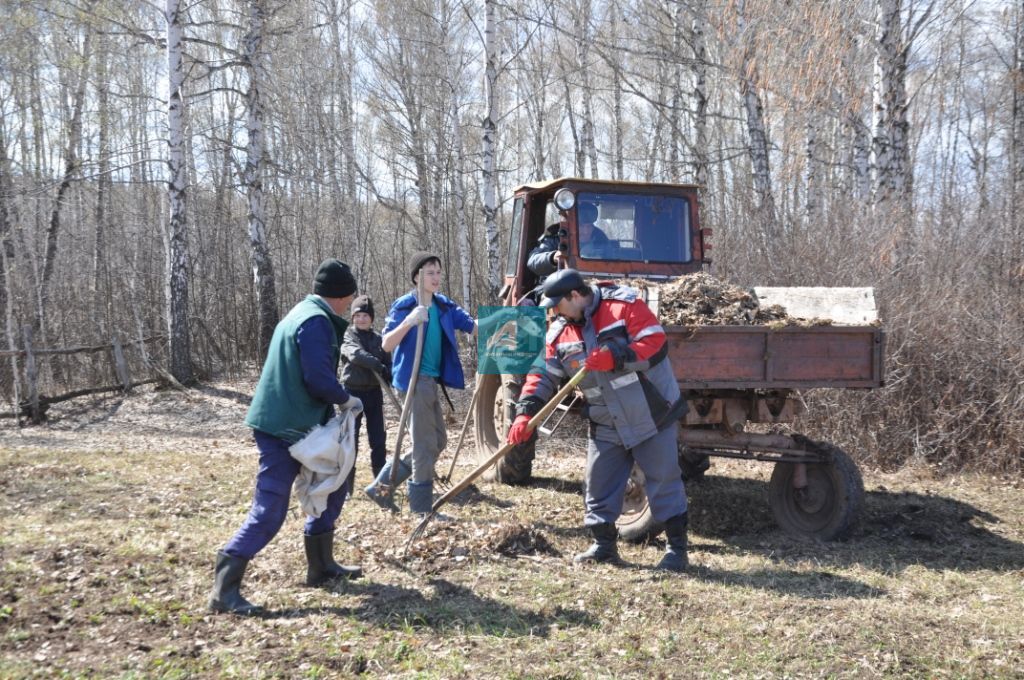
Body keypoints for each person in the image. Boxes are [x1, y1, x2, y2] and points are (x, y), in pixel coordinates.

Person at [506, 268, 690, 571]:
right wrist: (525, 412)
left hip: (651, 413)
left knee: (664, 480)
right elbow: (542, 375)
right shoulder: (559, 332)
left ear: (575, 295)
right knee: (599, 484)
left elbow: (655, 344)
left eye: (556, 305)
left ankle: (677, 551)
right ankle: (604, 547)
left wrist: (616, 356)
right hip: (606, 421)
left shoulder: (624, 306)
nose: (553, 312)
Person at [209, 259, 365, 616]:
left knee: (333, 484)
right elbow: (318, 378)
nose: (350, 302)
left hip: (299, 423)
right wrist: (346, 399)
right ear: (342, 295)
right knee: (270, 510)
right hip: (283, 428)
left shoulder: (304, 312)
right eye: (350, 296)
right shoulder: (315, 322)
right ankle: (225, 587)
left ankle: (321, 566)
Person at [364, 252, 476, 518]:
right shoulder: (405, 305)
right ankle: (421, 508)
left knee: (436, 441)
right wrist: (410, 321)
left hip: (430, 382)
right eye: (430, 273)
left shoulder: (444, 306)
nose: (436, 278)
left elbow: (475, 327)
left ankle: (382, 485)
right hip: (413, 382)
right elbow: (387, 344)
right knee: (425, 445)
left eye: (438, 272)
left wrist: (514, 316)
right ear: (417, 277)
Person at [340, 295, 391, 493]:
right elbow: (356, 355)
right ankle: (346, 490)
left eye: (365, 316)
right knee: (349, 441)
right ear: (353, 317)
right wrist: (377, 365)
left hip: (374, 393)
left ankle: (380, 489)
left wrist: (388, 373)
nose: (361, 319)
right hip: (351, 394)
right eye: (358, 315)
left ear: (371, 318)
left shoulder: (379, 339)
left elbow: (388, 363)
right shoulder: (347, 336)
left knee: (378, 440)